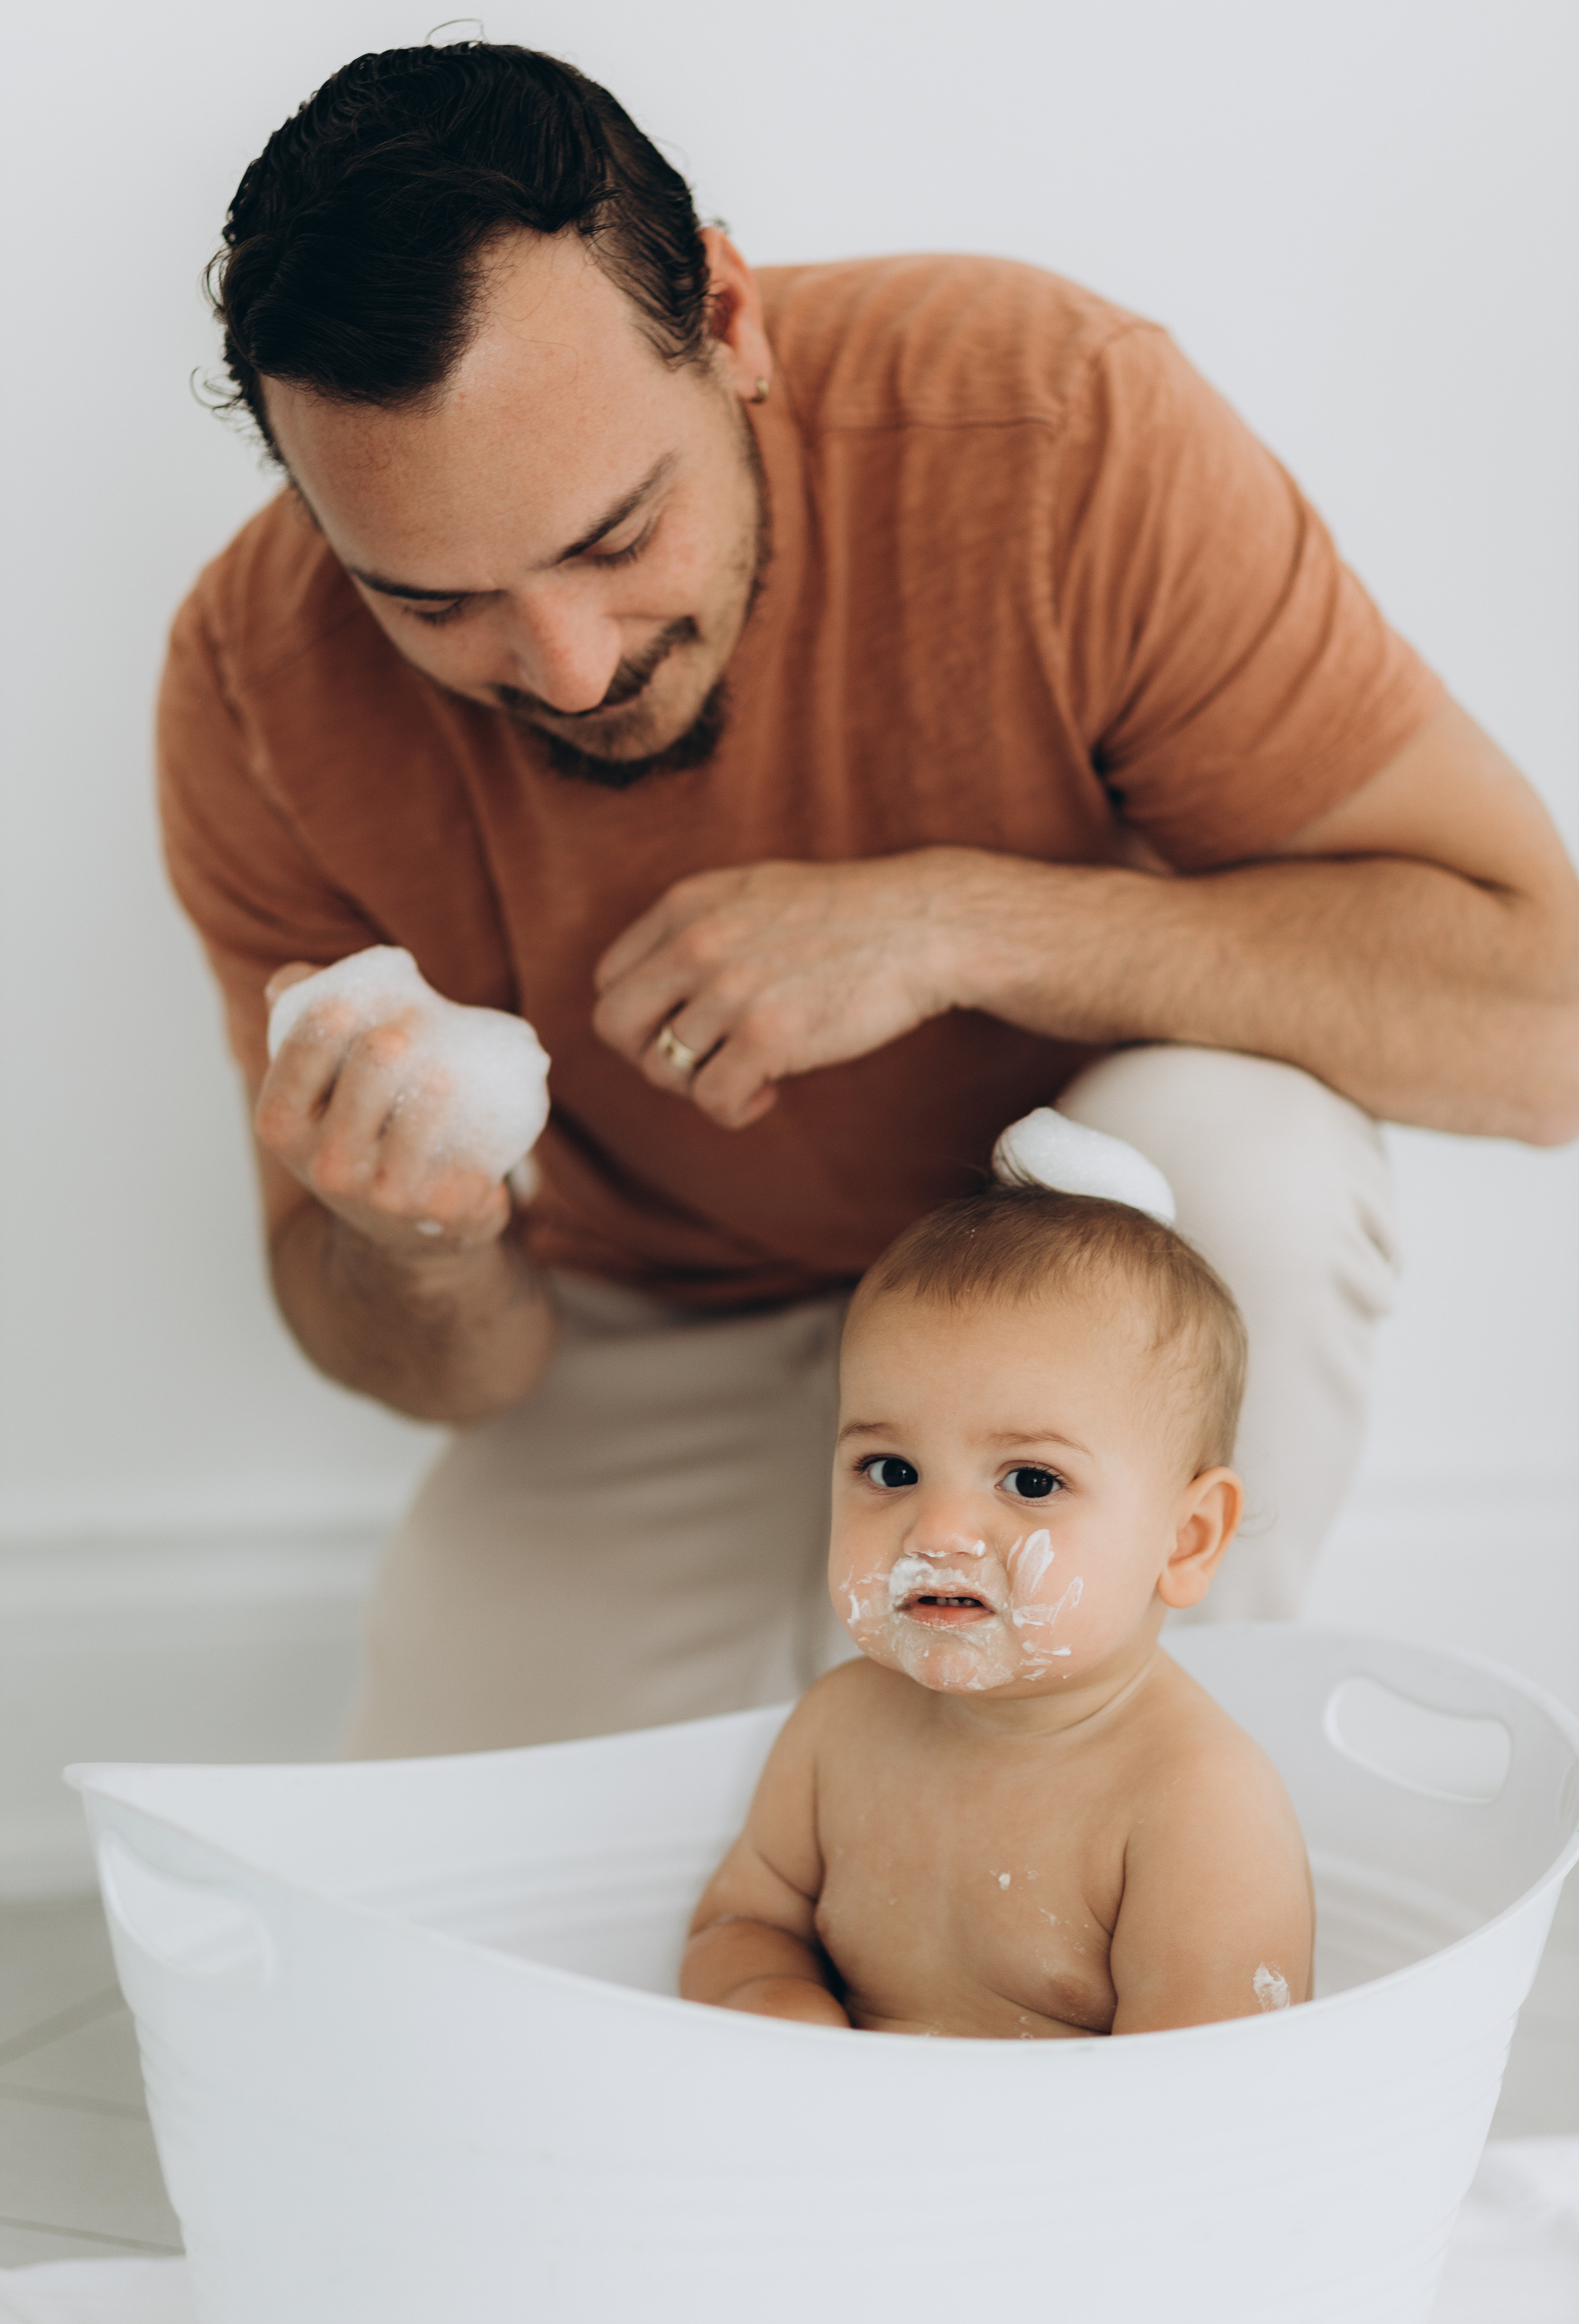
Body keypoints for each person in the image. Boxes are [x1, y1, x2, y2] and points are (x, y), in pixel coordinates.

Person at [158, 41, 1579, 1758]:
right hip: (661, 1326)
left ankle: (1141, 1784)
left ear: (735, 325)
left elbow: (1545, 1026)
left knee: (1251, 1151)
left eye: (616, 538)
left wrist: (964, 922)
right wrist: (421, 1248)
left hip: (1071, 1243)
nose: (570, 663)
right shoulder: (255, 683)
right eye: (436, 601)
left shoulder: (1056, 426)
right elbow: (438, 1368)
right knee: (460, 1905)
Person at [681, 1116, 1313, 2037]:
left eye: (1031, 1481)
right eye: (890, 1471)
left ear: (1185, 1539)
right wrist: (771, 2003)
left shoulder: (1195, 1806)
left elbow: (1200, 2119)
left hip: (1069, 2179)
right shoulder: (837, 1730)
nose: (936, 1532)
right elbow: (742, 1923)